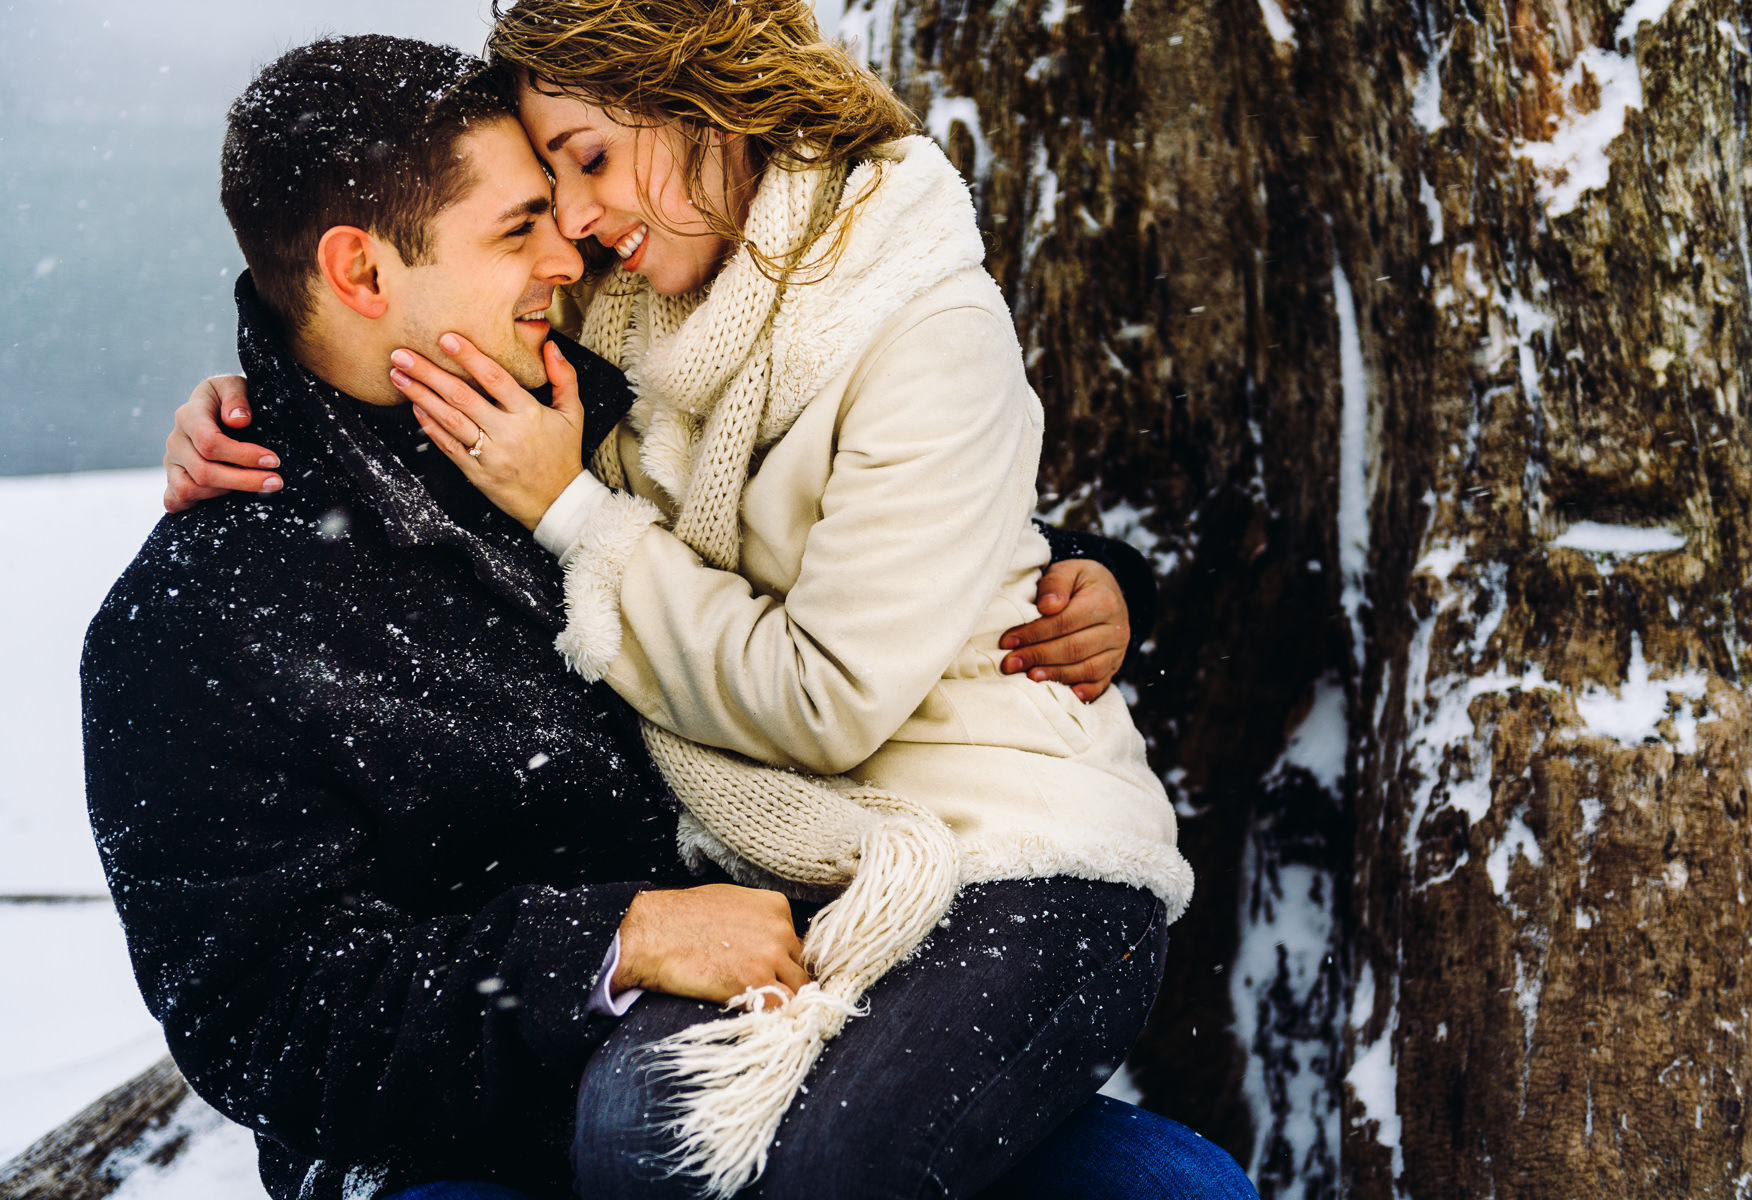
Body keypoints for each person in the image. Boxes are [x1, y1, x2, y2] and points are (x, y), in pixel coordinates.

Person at [117, 30, 1255, 1200]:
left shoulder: (579, 395)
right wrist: (614, 945)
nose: (569, 246)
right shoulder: (209, 610)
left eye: (568, 194)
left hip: (790, 961)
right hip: (469, 1133)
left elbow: (832, 500)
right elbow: (268, 1019)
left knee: (1172, 1189)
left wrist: (1089, 573)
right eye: (523, 225)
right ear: (360, 274)